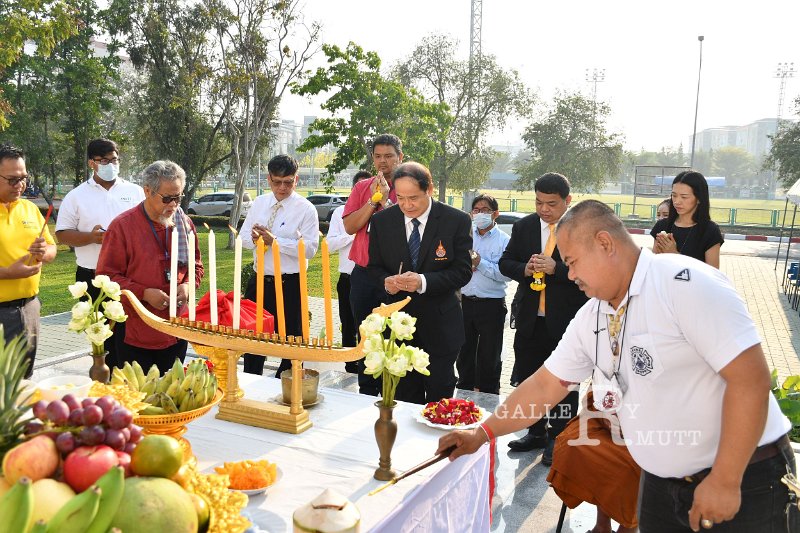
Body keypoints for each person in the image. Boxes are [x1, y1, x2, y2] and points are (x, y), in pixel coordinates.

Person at [439, 200, 796, 533]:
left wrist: (725, 478)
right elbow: (546, 385)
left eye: (573, 261)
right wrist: (482, 433)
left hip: (745, 476)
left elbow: (750, 380)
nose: (570, 273)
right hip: (660, 481)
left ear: (605, 243)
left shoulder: (684, 282)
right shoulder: (593, 314)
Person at [499, 172, 587, 464]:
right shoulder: (524, 226)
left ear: (567, 201)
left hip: (565, 322)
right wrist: (526, 268)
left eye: (551, 203)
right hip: (529, 318)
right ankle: (535, 432)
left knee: (564, 384)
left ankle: (559, 438)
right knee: (528, 378)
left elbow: (590, 273)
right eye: (539, 202)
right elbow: (505, 262)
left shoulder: (580, 229)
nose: (544, 209)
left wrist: (556, 269)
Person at [367, 162, 472, 404]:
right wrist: (386, 281)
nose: (407, 205)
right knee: (402, 398)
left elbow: (462, 271)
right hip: (397, 326)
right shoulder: (383, 221)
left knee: (439, 397)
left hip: (441, 326)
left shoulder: (455, 220)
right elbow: (372, 268)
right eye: (401, 198)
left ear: (430, 189)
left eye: (413, 198)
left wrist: (423, 281)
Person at [97, 160, 203, 373]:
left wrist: (189, 285)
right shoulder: (123, 226)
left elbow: (196, 266)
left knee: (172, 395)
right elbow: (106, 277)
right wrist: (143, 293)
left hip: (177, 327)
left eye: (178, 197)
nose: (174, 205)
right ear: (147, 191)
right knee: (138, 397)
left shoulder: (184, 223)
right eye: (167, 198)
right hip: (137, 330)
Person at [56, 138, 145, 368]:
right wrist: (91, 238)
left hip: (129, 277)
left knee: (131, 338)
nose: (110, 165)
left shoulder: (135, 192)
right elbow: (62, 234)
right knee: (101, 342)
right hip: (92, 277)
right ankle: (104, 385)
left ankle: (130, 384)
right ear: (91, 163)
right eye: (103, 160)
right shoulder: (76, 196)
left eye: (114, 159)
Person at [240, 155, 319, 377]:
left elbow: (311, 248)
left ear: (297, 180)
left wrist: (275, 242)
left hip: (290, 283)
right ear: (268, 179)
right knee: (253, 340)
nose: (282, 188)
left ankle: (287, 388)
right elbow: (244, 238)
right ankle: (250, 383)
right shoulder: (260, 203)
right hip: (260, 280)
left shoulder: (306, 209)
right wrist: (255, 238)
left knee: (293, 342)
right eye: (277, 182)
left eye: (288, 182)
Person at [343, 134, 403, 395]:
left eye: (388, 156)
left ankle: (393, 390)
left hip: (394, 275)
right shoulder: (362, 188)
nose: (382, 162)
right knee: (366, 335)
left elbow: (404, 228)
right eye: (377, 156)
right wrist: (373, 200)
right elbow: (350, 226)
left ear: (400, 157)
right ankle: (366, 390)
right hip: (364, 274)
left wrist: (388, 201)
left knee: (394, 336)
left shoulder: (409, 188)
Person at [0, 143, 57, 377]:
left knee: (23, 380)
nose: (21, 185)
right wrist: (7, 272)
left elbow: (52, 249)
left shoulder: (30, 208)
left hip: (29, 308)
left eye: (24, 177)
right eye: (12, 179)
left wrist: (44, 251)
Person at [455, 194, 511, 395]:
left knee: (490, 354)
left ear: (495, 214)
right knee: (464, 351)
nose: (480, 214)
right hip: (466, 302)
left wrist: (480, 262)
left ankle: (489, 393)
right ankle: (464, 389)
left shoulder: (504, 241)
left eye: (485, 210)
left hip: (492, 304)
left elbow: (506, 275)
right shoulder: (465, 236)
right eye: (476, 210)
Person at [326, 170, 371, 372]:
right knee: (348, 323)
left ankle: (369, 365)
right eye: (358, 188)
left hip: (372, 279)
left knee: (370, 327)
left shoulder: (381, 212)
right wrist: (354, 233)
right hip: (348, 277)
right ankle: (350, 366)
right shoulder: (340, 213)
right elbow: (330, 244)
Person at [651, 171, 723, 268]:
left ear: (699, 199)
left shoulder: (710, 231)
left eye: (684, 197)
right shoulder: (662, 226)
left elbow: (712, 276)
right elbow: (654, 266)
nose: (677, 202)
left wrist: (675, 255)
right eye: (674, 195)